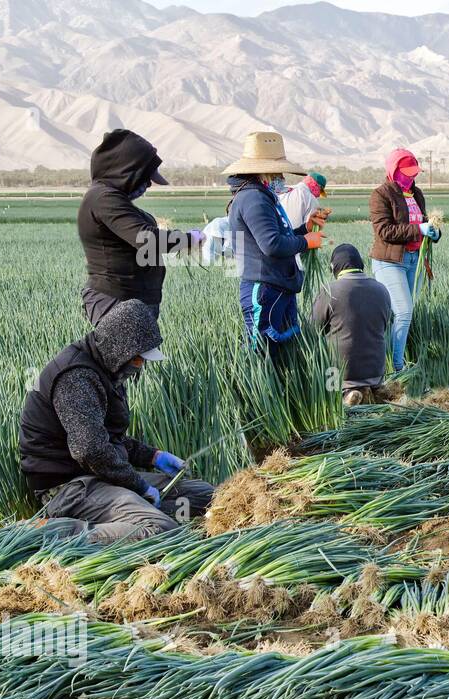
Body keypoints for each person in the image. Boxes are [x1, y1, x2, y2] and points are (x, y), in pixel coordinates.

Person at [18, 300, 214, 544]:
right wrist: (139, 486)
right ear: (120, 348)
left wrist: (153, 456)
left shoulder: (106, 370)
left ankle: (128, 521)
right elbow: (90, 450)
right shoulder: (76, 378)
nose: (141, 365)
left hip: (98, 475)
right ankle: (50, 533)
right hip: (69, 488)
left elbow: (108, 439)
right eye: (138, 358)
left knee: (205, 495)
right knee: (162, 529)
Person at [77, 129, 203, 325]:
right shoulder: (104, 199)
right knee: (125, 356)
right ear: (127, 172)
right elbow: (147, 240)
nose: (149, 185)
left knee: (136, 357)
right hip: (116, 301)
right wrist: (189, 239)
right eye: (145, 178)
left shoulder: (113, 199)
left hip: (132, 301)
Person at [223, 131, 327, 360]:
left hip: (277, 286)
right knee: (260, 354)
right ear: (263, 171)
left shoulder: (262, 196)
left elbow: (278, 235)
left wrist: (304, 230)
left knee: (282, 352)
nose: (281, 177)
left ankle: (280, 392)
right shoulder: (253, 199)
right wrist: (305, 242)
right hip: (265, 288)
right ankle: (253, 395)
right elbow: (271, 244)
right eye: (277, 172)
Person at [370, 148, 441, 372]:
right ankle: (397, 368)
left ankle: (388, 361)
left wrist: (434, 232)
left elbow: (425, 221)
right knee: (403, 311)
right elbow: (385, 231)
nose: (411, 177)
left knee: (401, 314)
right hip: (390, 261)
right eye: (406, 173)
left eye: (414, 173)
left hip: (414, 260)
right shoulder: (381, 194)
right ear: (394, 170)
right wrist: (418, 228)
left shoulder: (416, 194)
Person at [313, 244, 394, 406]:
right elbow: (386, 325)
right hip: (376, 369)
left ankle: (342, 397)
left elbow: (311, 330)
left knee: (328, 373)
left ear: (334, 267)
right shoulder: (382, 290)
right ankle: (371, 390)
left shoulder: (330, 291)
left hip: (341, 373)